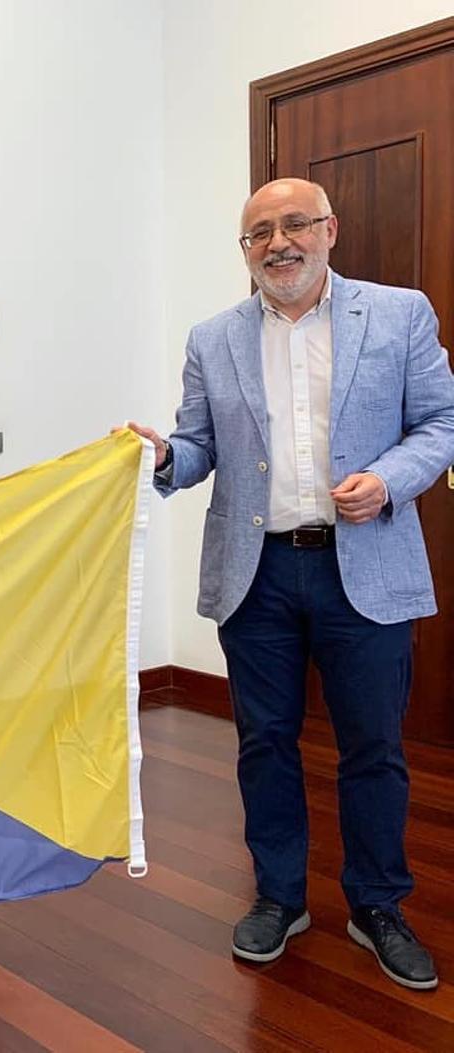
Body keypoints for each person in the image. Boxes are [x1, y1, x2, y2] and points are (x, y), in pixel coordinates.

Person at [130, 177, 454, 991]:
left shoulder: (399, 312)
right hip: (259, 572)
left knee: (373, 747)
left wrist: (386, 479)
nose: (279, 242)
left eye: (294, 224)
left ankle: (377, 903)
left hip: (366, 566)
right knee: (264, 742)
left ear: (329, 229)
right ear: (245, 251)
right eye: (259, 233)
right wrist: (165, 458)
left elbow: (440, 424)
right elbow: (200, 444)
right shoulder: (214, 338)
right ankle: (278, 895)